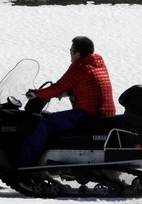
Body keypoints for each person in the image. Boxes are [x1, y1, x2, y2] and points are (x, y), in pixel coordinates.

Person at [18, 36, 116, 168]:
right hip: (105, 114)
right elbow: (88, 86)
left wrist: (36, 94)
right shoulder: (98, 64)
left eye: (71, 52)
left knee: (44, 121)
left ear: (78, 54)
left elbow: (57, 87)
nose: (70, 55)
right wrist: (68, 92)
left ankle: (24, 163)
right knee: (49, 117)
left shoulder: (79, 67)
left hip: (87, 114)